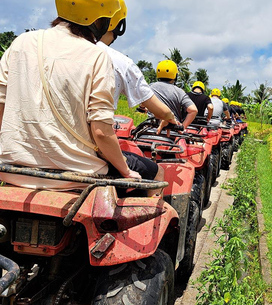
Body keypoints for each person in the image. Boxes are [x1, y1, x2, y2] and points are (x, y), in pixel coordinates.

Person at [0, 0, 155, 192]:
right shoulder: (97, 56)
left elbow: (1, 108)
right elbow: (101, 132)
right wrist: (126, 171)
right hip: (78, 176)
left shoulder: (21, 42)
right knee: (153, 172)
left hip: (13, 172)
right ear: (101, 21)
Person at [97, 0, 178, 194]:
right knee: (156, 172)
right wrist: (171, 119)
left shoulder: (32, 46)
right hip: (88, 157)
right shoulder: (116, 61)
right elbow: (164, 110)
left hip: (27, 160)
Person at [150, 60, 197, 132]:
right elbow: (193, 110)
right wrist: (182, 127)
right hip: (172, 131)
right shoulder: (179, 92)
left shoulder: (149, 87)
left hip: (151, 129)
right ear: (175, 75)